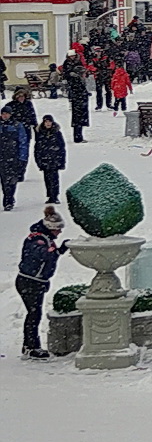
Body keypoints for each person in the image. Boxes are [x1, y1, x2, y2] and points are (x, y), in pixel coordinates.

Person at [15, 204, 68, 358]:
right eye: (58, 229)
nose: (59, 232)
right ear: (51, 228)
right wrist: (54, 251)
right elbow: (41, 255)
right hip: (29, 282)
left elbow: (49, 256)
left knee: (34, 313)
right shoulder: (37, 239)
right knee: (34, 314)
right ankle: (30, 346)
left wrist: (60, 250)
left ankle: (31, 345)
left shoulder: (45, 238)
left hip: (35, 282)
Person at [33, 114, 66, 205]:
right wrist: (38, 161)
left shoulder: (57, 133)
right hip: (44, 160)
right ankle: (50, 195)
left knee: (54, 178)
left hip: (54, 160)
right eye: (46, 121)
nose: (48, 123)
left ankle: (55, 196)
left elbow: (62, 147)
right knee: (47, 179)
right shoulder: (40, 134)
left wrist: (62, 161)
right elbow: (37, 149)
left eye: (49, 121)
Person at [0, 105, 27, 210]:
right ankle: (8, 198)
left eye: (6, 114)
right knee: (4, 180)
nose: (5, 116)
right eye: (3, 114)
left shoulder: (17, 126)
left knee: (12, 180)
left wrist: (22, 158)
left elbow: (23, 142)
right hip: (2, 157)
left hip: (13, 157)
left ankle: (9, 199)